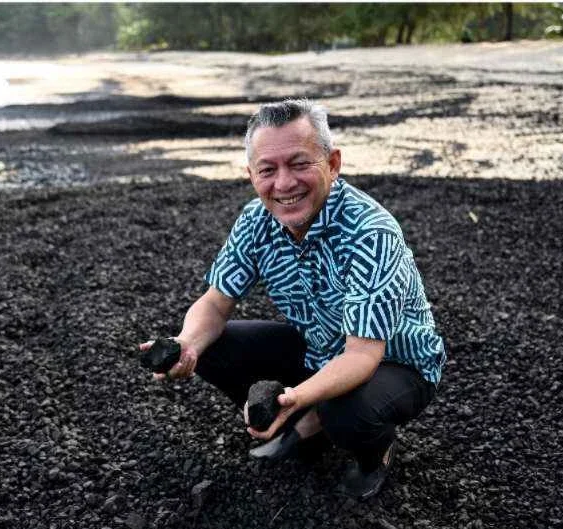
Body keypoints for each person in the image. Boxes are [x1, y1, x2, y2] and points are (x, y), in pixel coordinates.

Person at [140, 98, 445, 500]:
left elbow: (361, 356)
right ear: (252, 175)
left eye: (300, 164)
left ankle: (374, 451)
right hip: (321, 347)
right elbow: (214, 304)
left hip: (397, 361)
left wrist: (297, 398)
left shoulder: (370, 234)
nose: (283, 184)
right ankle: (303, 426)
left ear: (332, 163)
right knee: (214, 345)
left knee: (346, 413)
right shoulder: (256, 221)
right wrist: (187, 346)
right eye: (268, 170)